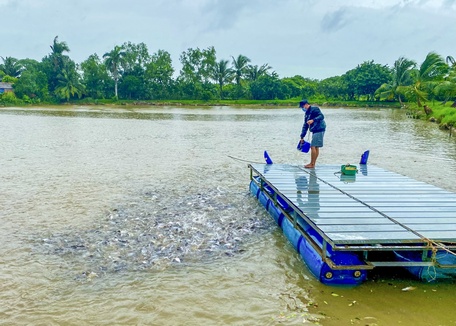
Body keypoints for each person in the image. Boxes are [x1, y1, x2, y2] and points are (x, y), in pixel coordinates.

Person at [299, 99, 326, 168]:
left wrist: (313, 120)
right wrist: (302, 137)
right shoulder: (307, 114)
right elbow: (305, 125)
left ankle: (312, 164)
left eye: (302, 107)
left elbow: (321, 116)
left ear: (306, 105)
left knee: (313, 146)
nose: (302, 108)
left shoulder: (315, 109)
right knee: (315, 146)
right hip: (314, 130)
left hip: (319, 129)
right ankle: (313, 163)